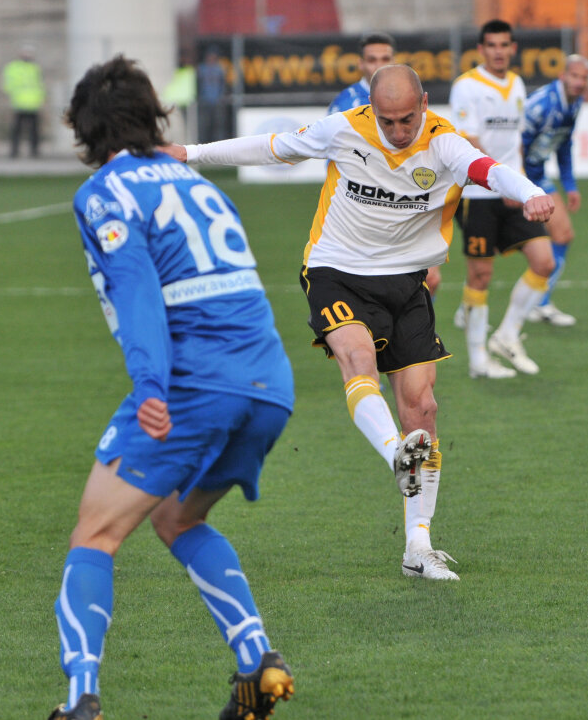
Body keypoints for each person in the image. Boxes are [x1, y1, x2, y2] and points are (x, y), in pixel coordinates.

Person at [164, 64, 555, 581]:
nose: (397, 131)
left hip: (406, 283)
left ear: (424, 102)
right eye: (388, 120)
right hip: (335, 272)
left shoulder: (444, 142)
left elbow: (488, 169)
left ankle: (418, 547)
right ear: (372, 108)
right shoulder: (344, 128)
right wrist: (190, 154)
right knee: (358, 358)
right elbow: (271, 146)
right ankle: (397, 454)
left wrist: (528, 192)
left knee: (423, 407)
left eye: (407, 119)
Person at [47, 56, 296, 720]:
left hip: (194, 381)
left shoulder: (105, 192)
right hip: (270, 379)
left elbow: (138, 295)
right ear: (153, 115)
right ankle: (256, 659)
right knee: (177, 515)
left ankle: (79, 701)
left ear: (83, 127)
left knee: (95, 532)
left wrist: (151, 384)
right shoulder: (198, 184)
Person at [449, 19, 556, 379]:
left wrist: (519, 184)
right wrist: (503, 183)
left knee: (544, 261)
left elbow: (515, 144)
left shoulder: (517, 84)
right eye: (491, 45)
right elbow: (470, 143)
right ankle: (479, 360)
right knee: (480, 275)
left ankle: (507, 336)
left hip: (512, 191)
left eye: (504, 45)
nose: (498, 51)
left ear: (512, 48)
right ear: (481, 50)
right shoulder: (466, 87)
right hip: (478, 193)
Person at [327, 33, 442, 296]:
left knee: (429, 281)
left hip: (410, 204)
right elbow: (335, 168)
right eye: (372, 59)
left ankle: (417, 337)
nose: (378, 64)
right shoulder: (344, 107)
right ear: (360, 63)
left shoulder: (408, 98)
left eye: (385, 58)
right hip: (369, 213)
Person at [520, 54, 588, 325]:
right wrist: (518, 185)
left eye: (583, 78)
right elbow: (518, 145)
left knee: (563, 234)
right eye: (574, 76)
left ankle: (540, 302)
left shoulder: (575, 103)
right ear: (562, 76)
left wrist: (570, 184)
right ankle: (470, 306)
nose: (579, 82)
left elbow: (564, 144)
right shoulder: (541, 105)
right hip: (516, 176)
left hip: (538, 175)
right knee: (486, 249)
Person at [2, 43, 45, 158]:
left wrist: (40, 100)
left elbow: (39, 85)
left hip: (33, 103)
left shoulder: (35, 68)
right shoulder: (13, 67)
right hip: (19, 103)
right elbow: (9, 84)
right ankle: (14, 151)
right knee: (17, 130)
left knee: (34, 131)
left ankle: (34, 151)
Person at [197, 47, 229, 142]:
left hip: (217, 101)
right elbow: (198, 84)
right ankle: (203, 142)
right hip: (205, 101)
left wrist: (221, 97)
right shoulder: (201, 69)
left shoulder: (219, 69)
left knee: (218, 125)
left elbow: (223, 85)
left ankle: (219, 143)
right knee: (204, 125)